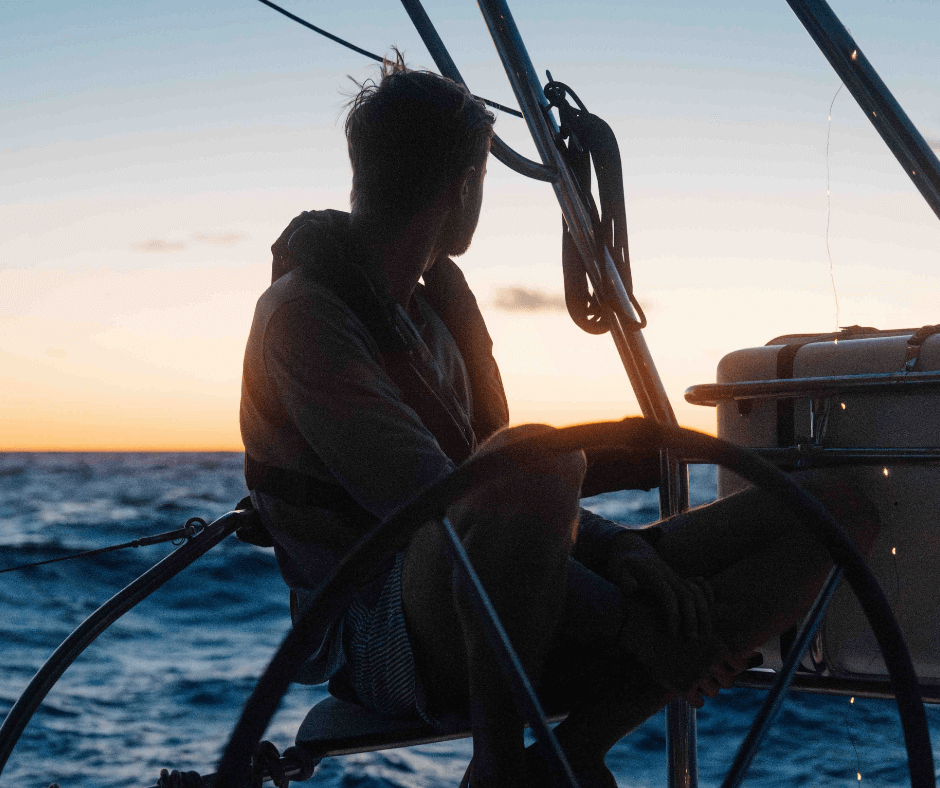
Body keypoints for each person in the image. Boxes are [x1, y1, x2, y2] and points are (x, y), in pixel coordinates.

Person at [239, 52, 880, 788]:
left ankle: (574, 754)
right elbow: (441, 502)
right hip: (382, 632)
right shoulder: (302, 318)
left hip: (496, 571)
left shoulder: (442, 304)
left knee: (834, 515)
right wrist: (629, 606)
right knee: (541, 460)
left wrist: (615, 549)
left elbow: (501, 492)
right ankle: (500, 769)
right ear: (466, 187)